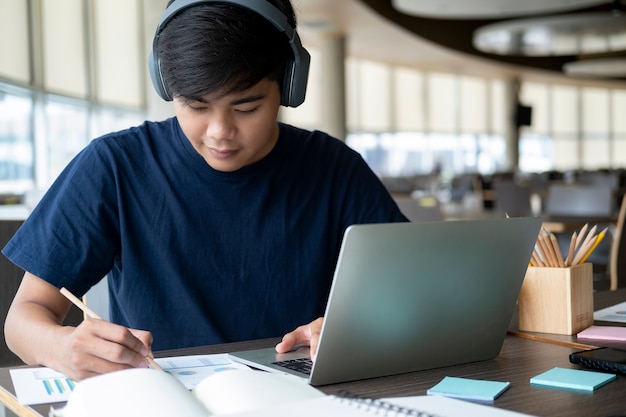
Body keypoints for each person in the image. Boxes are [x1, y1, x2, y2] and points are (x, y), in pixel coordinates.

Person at [2, 0, 407, 381]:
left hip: (301, 397)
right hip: (163, 396)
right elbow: (23, 319)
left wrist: (357, 327)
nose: (219, 133)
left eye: (246, 108)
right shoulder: (114, 165)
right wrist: (61, 346)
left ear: (289, 83)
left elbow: (410, 297)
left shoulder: (335, 169)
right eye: (195, 107)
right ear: (166, 85)